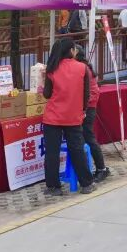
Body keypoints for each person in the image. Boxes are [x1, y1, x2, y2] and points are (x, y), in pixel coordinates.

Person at [42, 37, 96, 196]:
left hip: (52, 117)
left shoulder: (51, 69)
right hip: (73, 117)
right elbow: (86, 94)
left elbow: (47, 94)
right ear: (71, 51)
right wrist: (83, 110)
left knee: (52, 152)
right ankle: (86, 184)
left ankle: (54, 187)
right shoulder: (82, 68)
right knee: (77, 150)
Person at [75, 46, 109, 182]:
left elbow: (90, 92)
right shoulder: (84, 67)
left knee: (88, 137)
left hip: (87, 108)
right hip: (87, 107)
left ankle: (101, 168)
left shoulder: (83, 69)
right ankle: (91, 168)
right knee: (86, 137)